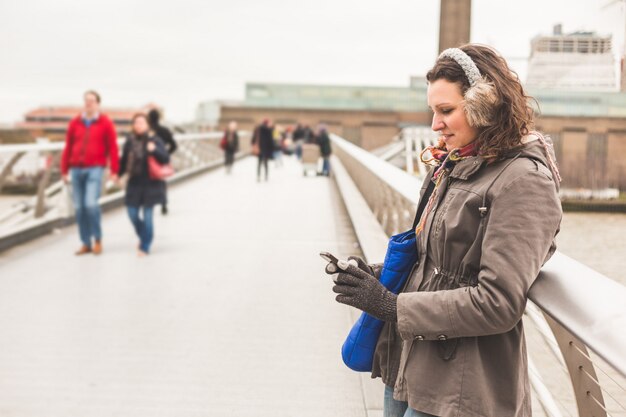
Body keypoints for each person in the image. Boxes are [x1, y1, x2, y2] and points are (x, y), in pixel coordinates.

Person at [325, 44, 562, 417]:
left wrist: (391, 305)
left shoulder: (523, 181)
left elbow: (499, 303)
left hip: (461, 391)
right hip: (412, 365)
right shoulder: (453, 165)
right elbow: (432, 263)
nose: (435, 124)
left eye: (446, 111)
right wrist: (371, 279)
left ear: (485, 104)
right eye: (433, 111)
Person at [61, 90, 119, 256]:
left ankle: (97, 239)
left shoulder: (105, 123)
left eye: (92, 101)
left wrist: (114, 170)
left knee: (90, 204)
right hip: (76, 169)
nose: (88, 103)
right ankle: (85, 242)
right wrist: (64, 170)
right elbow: (68, 146)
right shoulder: (75, 123)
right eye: (86, 100)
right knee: (79, 208)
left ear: (98, 104)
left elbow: (113, 148)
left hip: (95, 168)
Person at [119, 113, 170, 256]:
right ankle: (144, 236)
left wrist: (154, 150)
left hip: (151, 183)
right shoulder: (129, 141)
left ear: (147, 124)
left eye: (141, 122)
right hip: (134, 183)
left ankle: (145, 246)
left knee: (148, 216)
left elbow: (165, 158)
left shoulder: (155, 140)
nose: (138, 125)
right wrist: (117, 174)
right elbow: (123, 161)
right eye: (136, 122)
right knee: (132, 213)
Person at [147, 108, 177, 215]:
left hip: (148, 161)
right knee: (161, 182)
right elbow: (174, 146)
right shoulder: (165, 130)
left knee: (146, 183)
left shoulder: (147, 131)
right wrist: (166, 154)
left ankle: (148, 205)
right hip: (161, 160)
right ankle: (164, 204)